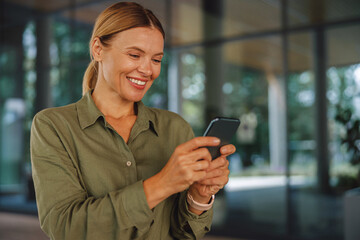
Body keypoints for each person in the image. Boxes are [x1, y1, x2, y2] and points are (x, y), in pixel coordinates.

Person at [30, 2, 235, 239]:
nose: (148, 70)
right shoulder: (54, 126)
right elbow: (65, 227)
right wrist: (162, 184)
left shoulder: (175, 128)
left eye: (156, 60)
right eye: (134, 55)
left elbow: (186, 235)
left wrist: (198, 196)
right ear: (98, 49)